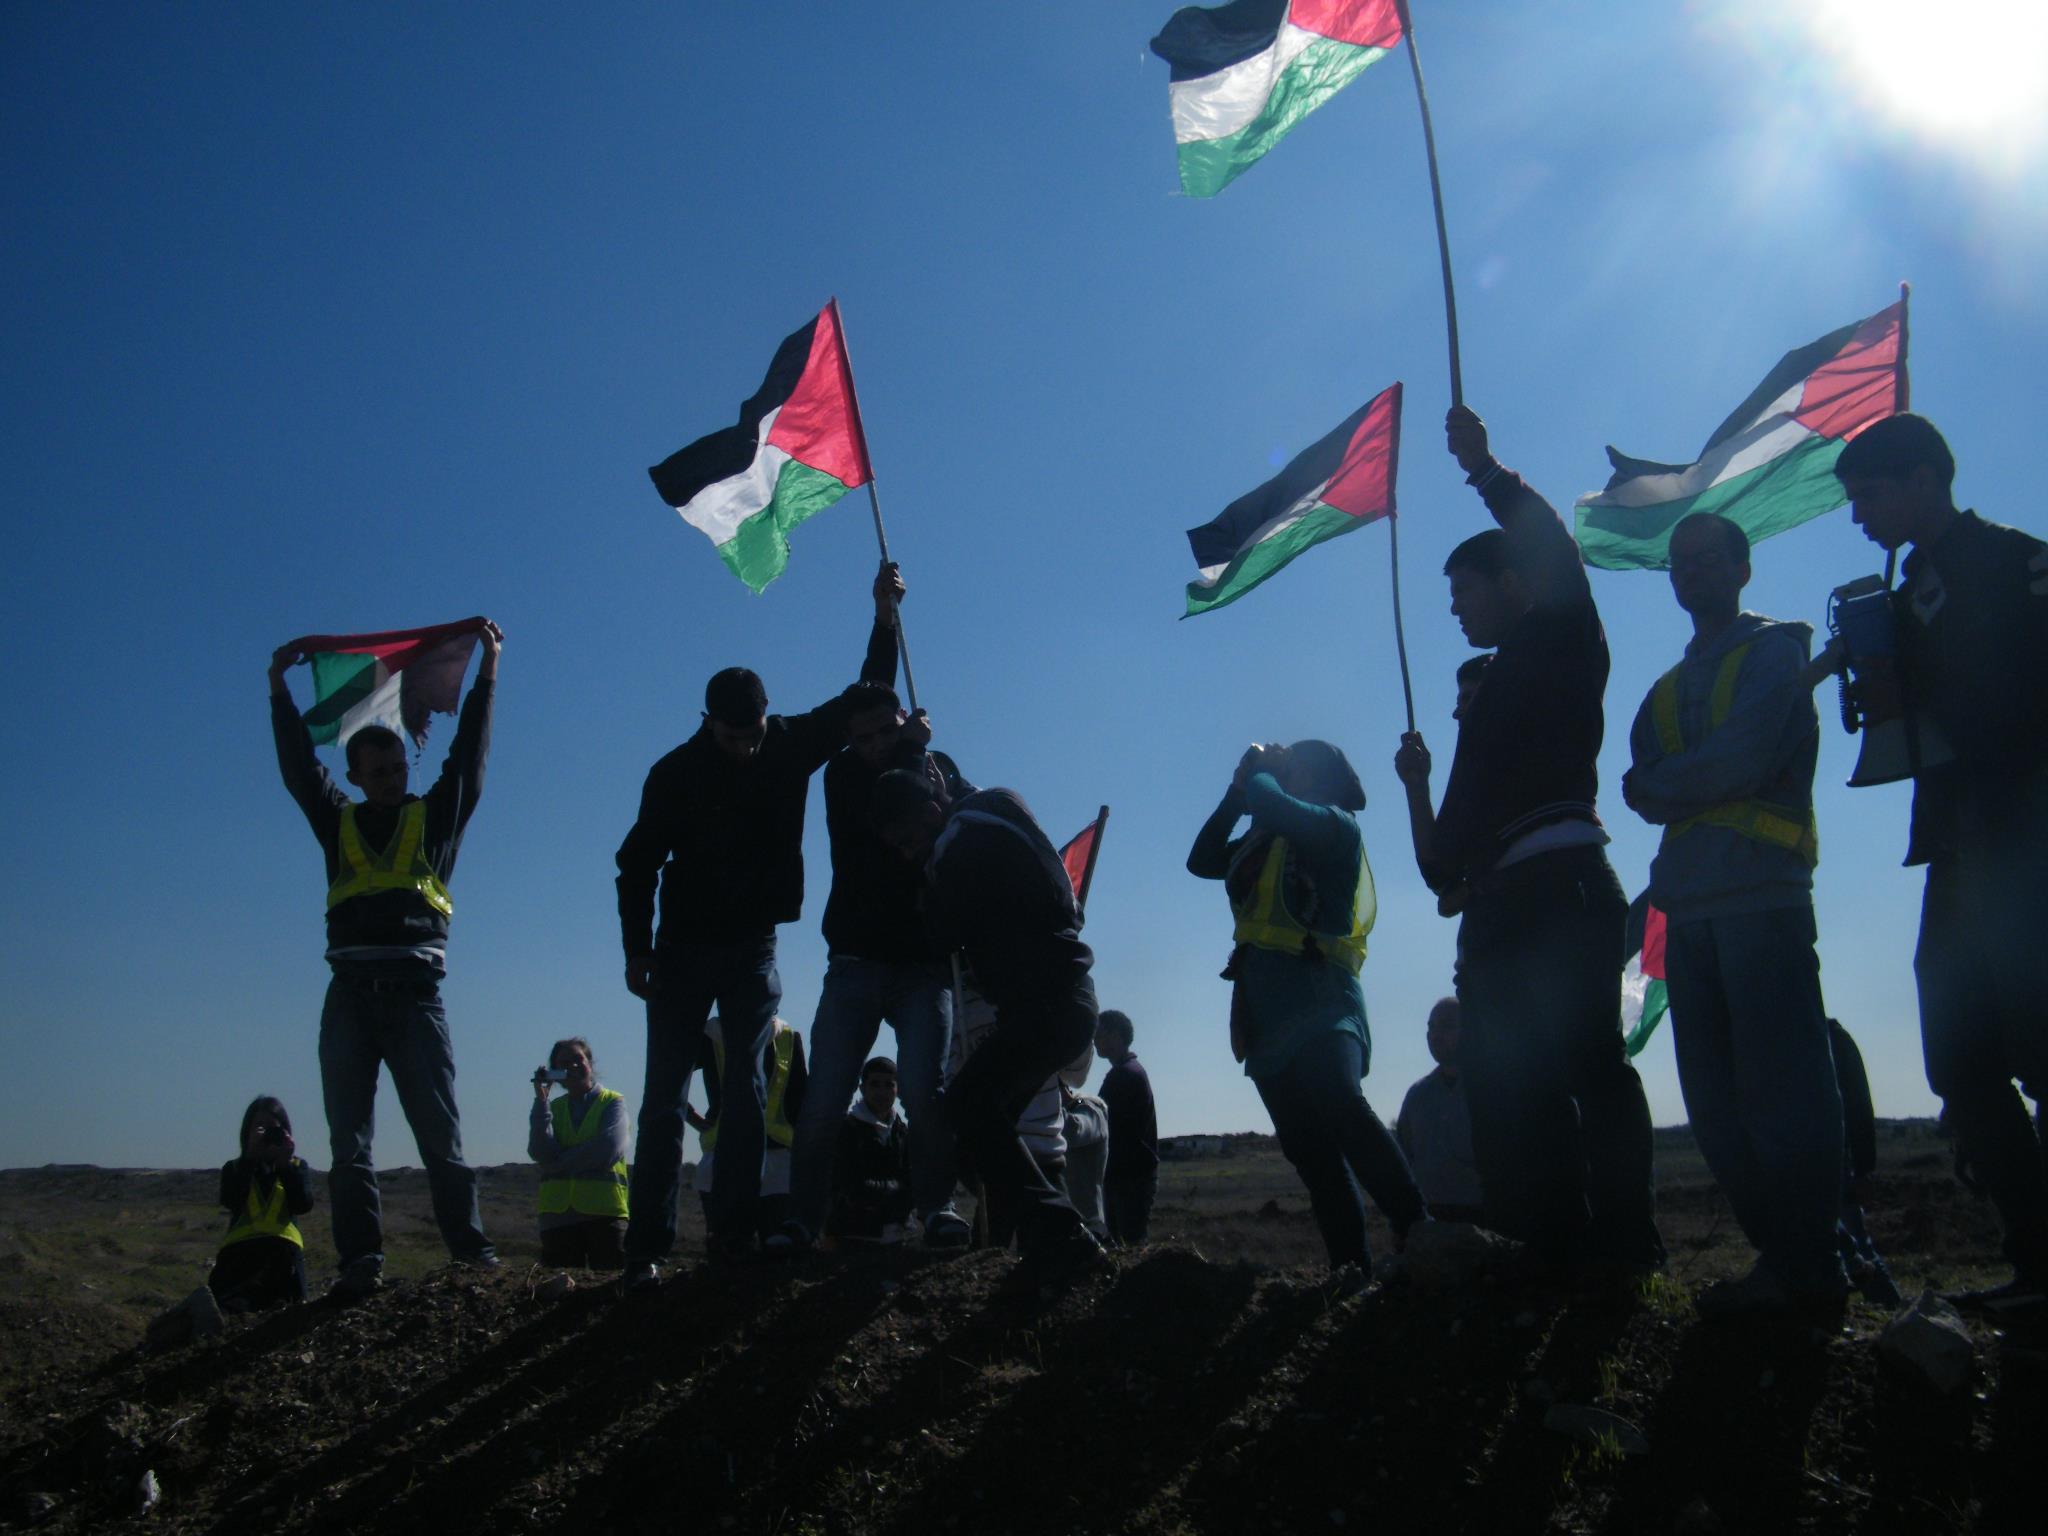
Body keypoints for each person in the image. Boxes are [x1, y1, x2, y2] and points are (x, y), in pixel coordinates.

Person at [1393, 408, 1662, 1278]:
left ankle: (1624, 1249)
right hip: (1498, 911)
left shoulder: (1558, 641)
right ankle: (1547, 1251)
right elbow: (1440, 867)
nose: (1456, 610)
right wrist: (1417, 788)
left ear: (1512, 582)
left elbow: (1555, 548)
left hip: (1563, 886)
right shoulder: (1485, 704)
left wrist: (1485, 470)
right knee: (1511, 1092)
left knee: (1591, 1067)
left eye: (1464, 591)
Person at [613, 566, 901, 1290]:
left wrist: (883, 614)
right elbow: (636, 863)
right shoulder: (673, 773)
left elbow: (866, 698)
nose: (746, 747)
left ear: (767, 716)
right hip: (679, 952)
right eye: (733, 737)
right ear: (708, 722)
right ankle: (645, 1246)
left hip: (752, 951)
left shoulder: (789, 744)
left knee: (743, 1093)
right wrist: (636, 950)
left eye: (754, 733)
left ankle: (732, 1237)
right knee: (663, 1098)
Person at [1836, 413, 2048, 1309]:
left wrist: (1923, 684)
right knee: (1960, 1057)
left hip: (2027, 836)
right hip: (1956, 845)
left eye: (1871, 494)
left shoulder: (2019, 562)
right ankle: (2036, 1259)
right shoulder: (1903, 590)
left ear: (1925, 478)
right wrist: (1876, 692)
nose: (1860, 518)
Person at [1618, 510, 1844, 1316]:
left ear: (1742, 568)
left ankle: (1813, 1270)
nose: (1690, 574)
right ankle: (1782, 1262)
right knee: (1716, 1109)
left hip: (1762, 902)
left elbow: (1740, 762)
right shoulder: (1664, 690)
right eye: (1678, 564)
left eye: (1706, 559)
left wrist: (1677, 779)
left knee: (1784, 1097)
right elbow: (1634, 784)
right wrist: (1686, 779)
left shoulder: (1777, 654)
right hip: (1685, 915)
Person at [269, 621, 502, 1297]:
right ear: (354, 776)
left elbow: (471, 757)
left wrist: (489, 671)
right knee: (349, 1144)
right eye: (378, 773)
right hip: (349, 997)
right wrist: (277, 689)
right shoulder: (335, 822)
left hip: (415, 1000)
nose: (393, 780)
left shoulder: (436, 820)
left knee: (441, 1139)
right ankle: (362, 1263)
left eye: (399, 768)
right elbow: (295, 766)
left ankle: (472, 1253)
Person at [1188, 740, 1426, 1281]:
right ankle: (1350, 1268)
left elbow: (1272, 803)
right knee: (1309, 1150)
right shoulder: (1260, 840)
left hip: (1321, 995)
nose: (1282, 773)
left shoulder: (1335, 827)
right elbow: (1201, 859)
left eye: (1294, 767)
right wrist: (1233, 793)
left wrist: (1262, 772)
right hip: (1264, 1012)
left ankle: (1417, 1226)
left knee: (1342, 1103)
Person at [870, 770, 1107, 1284]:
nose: (909, 854)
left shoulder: (958, 849)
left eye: (909, 841)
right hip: (1064, 1002)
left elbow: (939, 934)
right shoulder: (997, 805)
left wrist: (925, 891)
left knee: (967, 1106)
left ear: (933, 813)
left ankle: (1062, 1232)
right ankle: (1021, 1250)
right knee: (986, 1135)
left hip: (1045, 1006)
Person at [781, 689, 971, 1252]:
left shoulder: (940, 767)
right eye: (861, 738)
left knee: (923, 1089)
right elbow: (889, 823)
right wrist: (910, 753)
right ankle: (802, 1222)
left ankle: (939, 1210)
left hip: (923, 963)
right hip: (856, 962)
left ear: (902, 721)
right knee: (823, 1099)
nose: (873, 746)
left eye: (885, 733)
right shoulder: (842, 777)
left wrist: (924, 761)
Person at [693, 1015, 807, 1242]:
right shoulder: (709, 1035)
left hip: (775, 1161)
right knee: (729, 1247)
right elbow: (672, 1076)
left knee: (773, 1248)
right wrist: (691, 1117)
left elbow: (799, 1095)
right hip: (725, 1157)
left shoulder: (787, 1036)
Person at [529, 1037, 632, 1270]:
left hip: (605, 1214)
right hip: (557, 1218)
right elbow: (539, 1150)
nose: (572, 1066)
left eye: (578, 1059)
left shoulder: (612, 1102)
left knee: (610, 1290)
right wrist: (541, 1101)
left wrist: (557, 1162)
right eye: (564, 1063)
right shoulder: (552, 1109)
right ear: (555, 1072)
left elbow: (608, 1149)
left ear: (590, 1063)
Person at [208, 1096, 316, 1312]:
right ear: (246, 1132)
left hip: (283, 1256)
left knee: (286, 1310)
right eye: (260, 1128)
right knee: (229, 1308)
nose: (266, 1134)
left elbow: (303, 1204)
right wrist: (249, 1160)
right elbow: (231, 1200)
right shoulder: (234, 1168)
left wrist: (285, 1166)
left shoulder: (296, 1166)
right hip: (239, 1256)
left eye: (272, 1129)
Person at [1829, 1019, 1903, 1308]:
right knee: (1852, 1238)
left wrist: (1863, 1168)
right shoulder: (1831, 1037)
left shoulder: (1833, 1038)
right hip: (1830, 1154)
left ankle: (1889, 1306)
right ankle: (1888, 1307)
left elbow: (1859, 1105)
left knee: (1854, 1240)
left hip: (1836, 1154)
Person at [1394, 998, 1483, 1225]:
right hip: (1429, 1222)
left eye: (1446, 1026)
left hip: (1484, 1218)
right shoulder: (1417, 1095)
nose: (1435, 1035)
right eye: (1431, 1027)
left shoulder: (1489, 1091)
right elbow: (1403, 1160)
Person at [828, 1056, 916, 1243]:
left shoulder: (903, 1132)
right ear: (862, 1088)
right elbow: (851, 1186)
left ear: (897, 1089)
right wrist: (897, 1191)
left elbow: (913, 1180)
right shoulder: (846, 1131)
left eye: (888, 1085)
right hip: (854, 1236)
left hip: (899, 1236)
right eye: (875, 1084)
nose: (882, 1092)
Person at [1096, 1009, 1159, 1245]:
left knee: (1128, 1245)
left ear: (1116, 1036)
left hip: (1129, 1176)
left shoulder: (1124, 1075)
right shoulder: (1128, 1072)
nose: (1094, 1041)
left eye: (1100, 1035)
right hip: (1128, 1174)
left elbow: (1106, 1125)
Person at [1062, 1085, 1112, 1243]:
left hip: (1089, 1227)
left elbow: (1075, 1130)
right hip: (1064, 1225)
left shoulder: (1092, 1109)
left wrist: (1046, 1109)